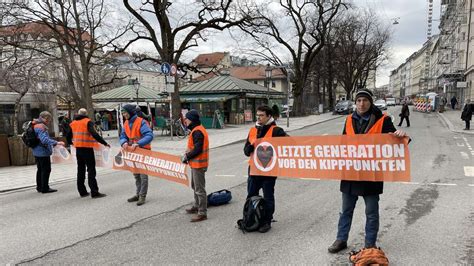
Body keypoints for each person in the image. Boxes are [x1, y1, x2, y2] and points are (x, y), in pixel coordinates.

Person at [328, 88, 409, 253]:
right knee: (345, 210)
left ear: (370, 102)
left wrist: (400, 135)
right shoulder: (349, 120)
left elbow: (395, 142)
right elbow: (344, 143)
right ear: (355, 102)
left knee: (371, 212)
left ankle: (370, 244)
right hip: (351, 172)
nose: (361, 104)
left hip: (371, 173)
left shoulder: (383, 120)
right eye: (358, 100)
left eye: (365, 100)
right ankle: (341, 239)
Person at [243, 105, 287, 233]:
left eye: (262, 115)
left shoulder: (277, 131)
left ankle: (266, 221)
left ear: (269, 116)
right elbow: (246, 151)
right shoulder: (253, 130)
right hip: (254, 170)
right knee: (251, 195)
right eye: (258, 115)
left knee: (268, 197)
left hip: (269, 171)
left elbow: (290, 146)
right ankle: (251, 218)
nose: (259, 118)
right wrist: (250, 147)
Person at [67, 108, 109, 198]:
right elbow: (94, 134)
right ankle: (94, 192)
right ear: (86, 114)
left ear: (78, 114)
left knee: (80, 170)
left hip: (78, 149)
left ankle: (82, 191)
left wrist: (71, 144)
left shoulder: (73, 123)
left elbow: (68, 136)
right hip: (87, 149)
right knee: (91, 170)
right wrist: (104, 143)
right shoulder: (87, 122)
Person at [120, 104, 154, 206]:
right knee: (136, 174)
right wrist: (123, 142)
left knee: (143, 175)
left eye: (125, 112)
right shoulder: (126, 123)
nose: (124, 114)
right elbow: (123, 135)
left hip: (143, 150)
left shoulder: (141, 121)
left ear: (130, 112)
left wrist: (138, 143)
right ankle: (138, 194)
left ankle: (142, 196)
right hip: (133, 151)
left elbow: (149, 135)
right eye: (122, 113)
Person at [182, 109, 210, 222]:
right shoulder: (196, 130)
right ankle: (197, 206)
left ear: (191, 120)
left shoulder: (197, 131)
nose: (185, 121)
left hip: (199, 164)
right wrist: (187, 157)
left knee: (199, 189)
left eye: (187, 119)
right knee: (195, 186)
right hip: (195, 164)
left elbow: (197, 149)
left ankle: (202, 212)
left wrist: (187, 157)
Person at [32, 111, 65, 193]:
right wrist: (56, 142)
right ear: (45, 118)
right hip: (43, 151)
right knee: (46, 169)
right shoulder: (41, 126)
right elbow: (44, 140)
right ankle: (45, 188)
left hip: (36, 150)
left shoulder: (34, 124)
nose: (49, 121)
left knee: (40, 169)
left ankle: (39, 187)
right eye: (49, 119)